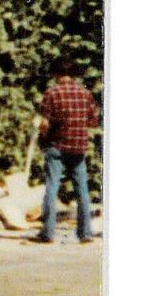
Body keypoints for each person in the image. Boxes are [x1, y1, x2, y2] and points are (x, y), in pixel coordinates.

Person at [36, 55, 100, 246]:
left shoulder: (51, 93)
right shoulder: (85, 94)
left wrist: (42, 135)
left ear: (56, 73)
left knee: (52, 187)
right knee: (82, 190)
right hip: (78, 147)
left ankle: (47, 233)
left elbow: (45, 123)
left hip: (57, 146)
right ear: (74, 74)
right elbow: (93, 121)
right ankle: (85, 233)